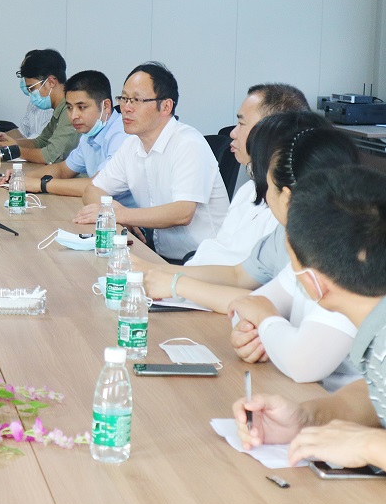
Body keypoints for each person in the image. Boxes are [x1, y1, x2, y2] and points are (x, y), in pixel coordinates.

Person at [234, 166, 386, 469]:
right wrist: (306, 418)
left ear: (313, 284)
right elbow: (372, 395)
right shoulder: (375, 335)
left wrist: (370, 445)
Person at [140, 112, 349, 313]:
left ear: (285, 195)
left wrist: (177, 284)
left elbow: (271, 306)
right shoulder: (287, 233)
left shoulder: (323, 250)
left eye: (267, 182)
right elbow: (242, 278)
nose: (263, 190)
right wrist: (161, 274)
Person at [225, 126, 361, 391]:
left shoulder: (350, 259)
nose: (266, 196)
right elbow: (249, 307)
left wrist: (266, 321)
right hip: (303, 396)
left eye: (268, 187)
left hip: (346, 410)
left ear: (287, 198)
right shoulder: (313, 245)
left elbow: (302, 364)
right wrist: (257, 335)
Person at [74, 62, 228, 262]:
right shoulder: (131, 145)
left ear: (166, 106)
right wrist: (113, 211)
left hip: (205, 261)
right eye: (124, 98)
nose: (126, 108)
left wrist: (121, 215)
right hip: (160, 256)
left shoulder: (188, 143)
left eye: (136, 100)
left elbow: (182, 213)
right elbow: (92, 190)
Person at [184, 84, 308, 266]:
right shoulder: (249, 189)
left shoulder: (285, 209)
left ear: (271, 131)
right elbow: (218, 253)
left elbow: (242, 276)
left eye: (242, 124)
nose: (233, 133)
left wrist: (172, 277)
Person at [0, 70, 133, 205]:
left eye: (82, 107)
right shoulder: (89, 134)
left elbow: (98, 185)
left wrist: (41, 184)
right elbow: (63, 170)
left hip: (126, 215)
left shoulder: (121, 134)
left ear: (106, 106)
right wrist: (21, 177)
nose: (73, 116)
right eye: (69, 107)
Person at [0, 49, 80, 165]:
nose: (31, 94)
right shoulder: (59, 109)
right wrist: (6, 142)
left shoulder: (70, 109)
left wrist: (15, 150)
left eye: (32, 88)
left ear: (51, 82)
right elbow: (40, 142)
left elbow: (49, 156)